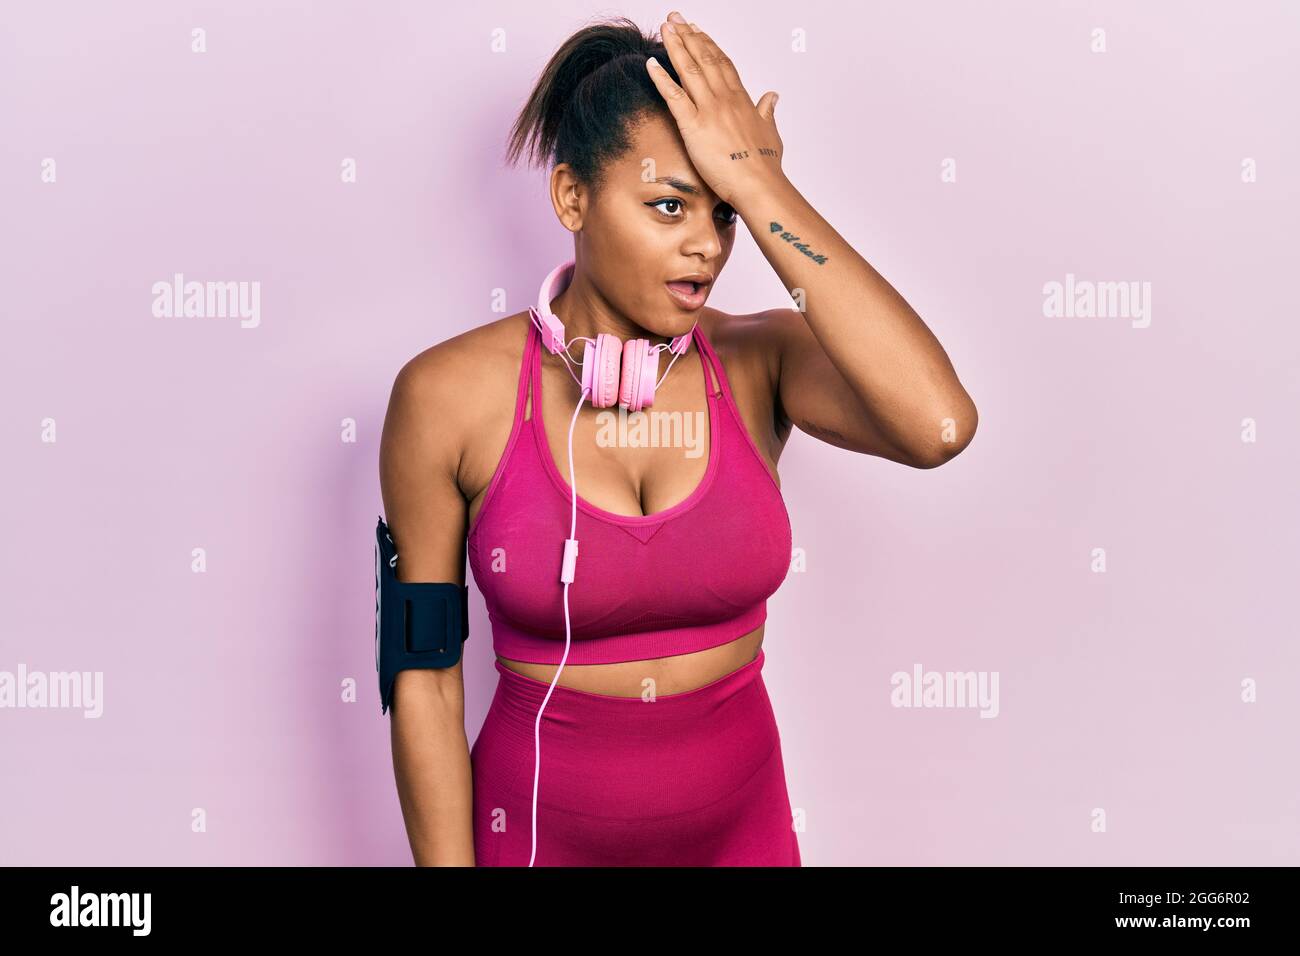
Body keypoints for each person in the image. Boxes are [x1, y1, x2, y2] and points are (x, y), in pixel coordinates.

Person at [378, 12, 978, 866]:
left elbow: (938, 425)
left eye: (723, 216)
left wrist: (765, 189)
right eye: (669, 207)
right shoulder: (445, 397)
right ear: (571, 198)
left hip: (746, 838)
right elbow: (424, 681)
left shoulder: (760, 360)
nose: (706, 247)